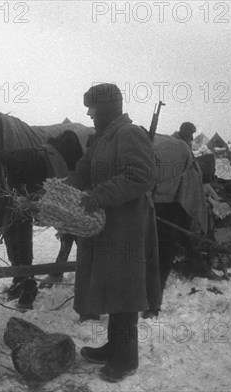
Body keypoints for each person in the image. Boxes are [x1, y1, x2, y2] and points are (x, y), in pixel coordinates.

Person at [66, 83, 160, 383]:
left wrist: (101, 194)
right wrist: (59, 189)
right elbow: (84, 170)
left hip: (128, 227)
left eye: (93, 106)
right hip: (108, 227)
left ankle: (127, 358)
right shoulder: (102, 138)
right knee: (110, 287)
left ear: (108, 107)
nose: (89, 112)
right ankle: (113, 346)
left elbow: (141, 175)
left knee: (125, 292)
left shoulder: (129, 134)